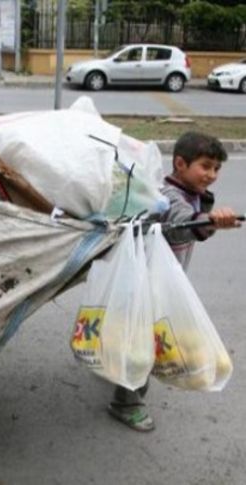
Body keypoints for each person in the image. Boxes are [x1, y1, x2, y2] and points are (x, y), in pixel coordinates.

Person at [107, 131, 241, 432]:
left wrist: (207, 212)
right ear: (180, 163)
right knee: (143, 346)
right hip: (146, 287)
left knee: (136, 340)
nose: (212, 175)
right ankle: (125, 402)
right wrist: (210, 221)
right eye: (205, 166)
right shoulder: (166, 196)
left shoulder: (190, 193)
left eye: (217, 169)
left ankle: (116, 370)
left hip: (156, 284)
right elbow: (181, 225)